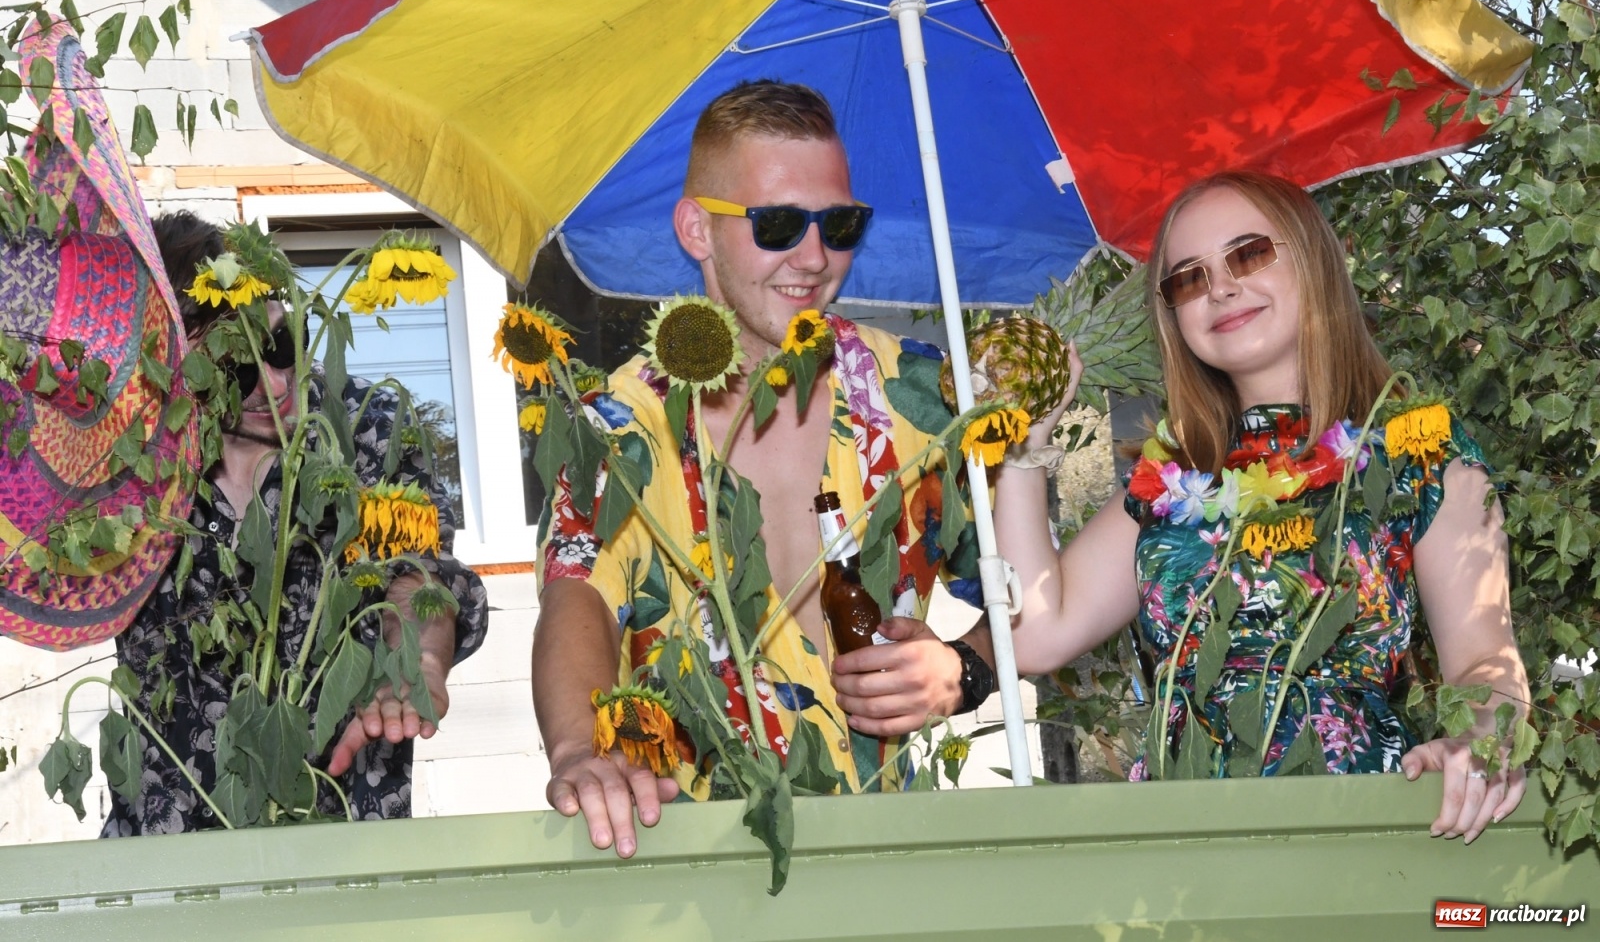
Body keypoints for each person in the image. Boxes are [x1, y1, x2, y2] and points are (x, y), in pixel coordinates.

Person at [533, 80, 994, 858]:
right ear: (696, 230)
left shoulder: (921, 397)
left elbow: (1037, 608)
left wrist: (961, 673)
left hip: (892, 860)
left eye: (840, 224)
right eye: (778, 225)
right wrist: (579, 750)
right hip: (691, 865)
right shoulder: (620, 425)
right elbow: (578, 596)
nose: (814, 258)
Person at [1001, 171, 1528, 845]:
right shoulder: (1171, 485)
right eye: (1187, 279)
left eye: (1248, 254)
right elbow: (1036, 633)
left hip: (1355, 838)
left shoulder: (1419, 451)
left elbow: (1487, 662)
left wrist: (1479, 742)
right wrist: (1025, 446)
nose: (1219, 287)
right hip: (1180, 852)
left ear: (1313, 257)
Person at [102, 211, 487, 835]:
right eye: (236, 367)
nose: (275, 384)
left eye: (282, 345)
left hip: (338, 825)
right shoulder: (131, 467)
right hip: (168, 841)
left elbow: (420, 573)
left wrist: (417, 661)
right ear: (169, 367)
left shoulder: (369, 427)